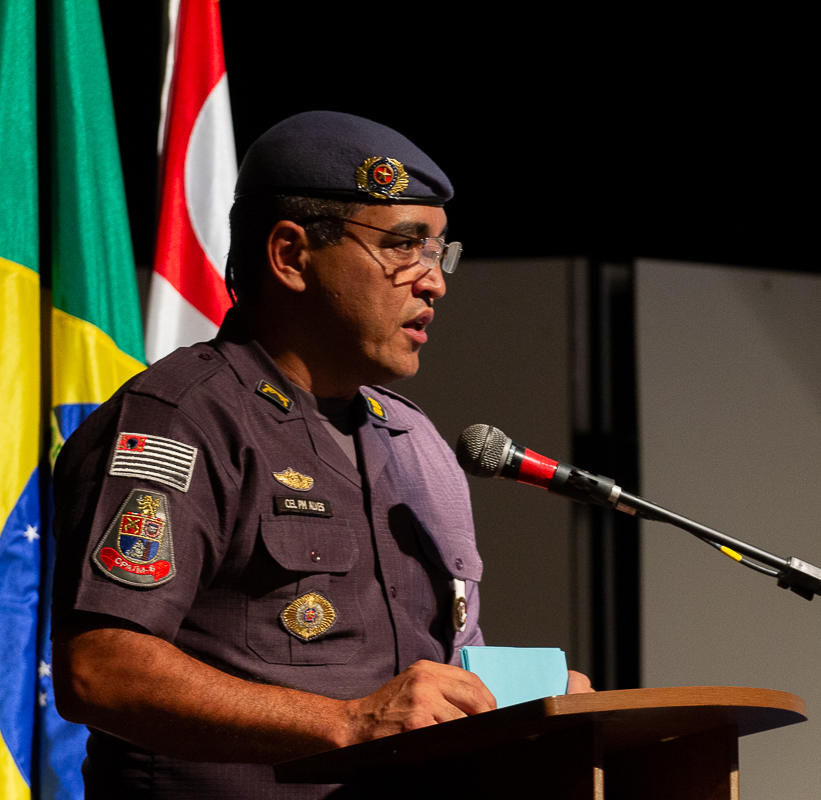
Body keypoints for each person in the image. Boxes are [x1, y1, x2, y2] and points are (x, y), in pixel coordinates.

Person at [50, 111, 589, 799]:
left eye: (440, 252)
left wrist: (534, 703)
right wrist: (346, 722)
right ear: (291, 256)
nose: (435, 282)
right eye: (405, 246)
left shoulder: (417, 443)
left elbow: (432, 678)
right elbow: (100, 668)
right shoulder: (183, 422)